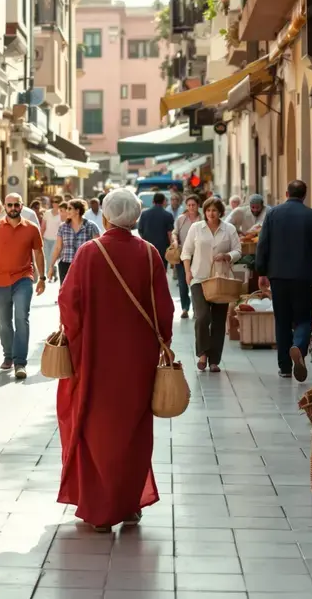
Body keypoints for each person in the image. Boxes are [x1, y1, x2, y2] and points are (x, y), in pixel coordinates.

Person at [57, 188, 172, 532]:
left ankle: (101, 508)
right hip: (137, 360)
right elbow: (163, 308)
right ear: (135, 217)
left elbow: (68, 301)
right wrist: (161, 343)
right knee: (133, 430)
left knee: (96, 429)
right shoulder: (150, 254)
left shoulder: (90, 253)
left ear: (105, 216)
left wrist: (75, 340)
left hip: (95, 358)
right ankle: (130, 503)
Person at [256, 180, 312, 382]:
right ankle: (298, 346)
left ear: (286, 193)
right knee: (304, 319)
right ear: (305, 195)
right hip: (303, 276)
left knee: (282, 321)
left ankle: (284, 367)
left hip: (278, 276)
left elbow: (263, 244)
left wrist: (262, 272)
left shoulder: (273, 214)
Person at [0, 192, 46, 379]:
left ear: (21, 206)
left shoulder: (32, 229)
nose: (12, 208)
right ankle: (8, 356)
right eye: (9, 205)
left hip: (23, 279)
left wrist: (41, 278)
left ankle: (20, 362)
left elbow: (39, 253)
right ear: (4, 207)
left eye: (16, 205)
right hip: (0, 281)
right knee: (3, 323)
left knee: (21, 319)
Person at [181, 197, 241, 373]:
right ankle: (202, 354)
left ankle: (214, 360)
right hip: (199, 278)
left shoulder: (228, 229)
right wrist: (187, 272)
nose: (211, 214)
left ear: (220, 212)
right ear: (204, 212)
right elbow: (186, 252)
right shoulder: (196, 228)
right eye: (208, 210)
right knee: (202, 317)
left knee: (218, 321)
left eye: (214, 210)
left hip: (220, 279)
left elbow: (238, 250)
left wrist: (227, 255)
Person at [48, 199, 102, 285]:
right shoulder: (63, 227)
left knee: (83, 293)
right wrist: (51, 266)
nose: (67, 211)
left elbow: (98, 249)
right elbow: (58, 248)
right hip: (65, 265)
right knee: (66, 294)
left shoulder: (91, 226)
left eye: (69, 208)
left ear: (77, 210)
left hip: (84, 265)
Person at [172, 194, 202, 319]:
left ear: (198, 206)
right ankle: (185, 308)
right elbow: (175, 232)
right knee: (183, 283)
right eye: (189, 205)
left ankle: (197, 309)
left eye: (193, 205)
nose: (191, 207)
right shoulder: (181, 219)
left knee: (196, 283)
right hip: (182, 256)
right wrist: (174, 240)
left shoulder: (202, 219)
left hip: (199, 256)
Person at [136, 192, 174, 268]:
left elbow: (140, 230)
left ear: (153, 201)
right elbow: (170, 234)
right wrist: (171, 248)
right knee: (161, 270)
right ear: (164, 201)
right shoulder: (168, 215)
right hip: (163, 249)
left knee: (148, 270)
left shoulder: (144, 214)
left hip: (147, 248)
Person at [41, 196, 64, 279]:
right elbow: (43, 227)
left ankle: (49, 275)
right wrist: (40, 238)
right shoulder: (47, 213)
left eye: (57, 201)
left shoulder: (62, 214)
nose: (55, 203)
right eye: (53, 201)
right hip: (46, 239)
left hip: (56, 239)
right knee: (47, 258)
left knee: (51, 257)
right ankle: (53, 272)